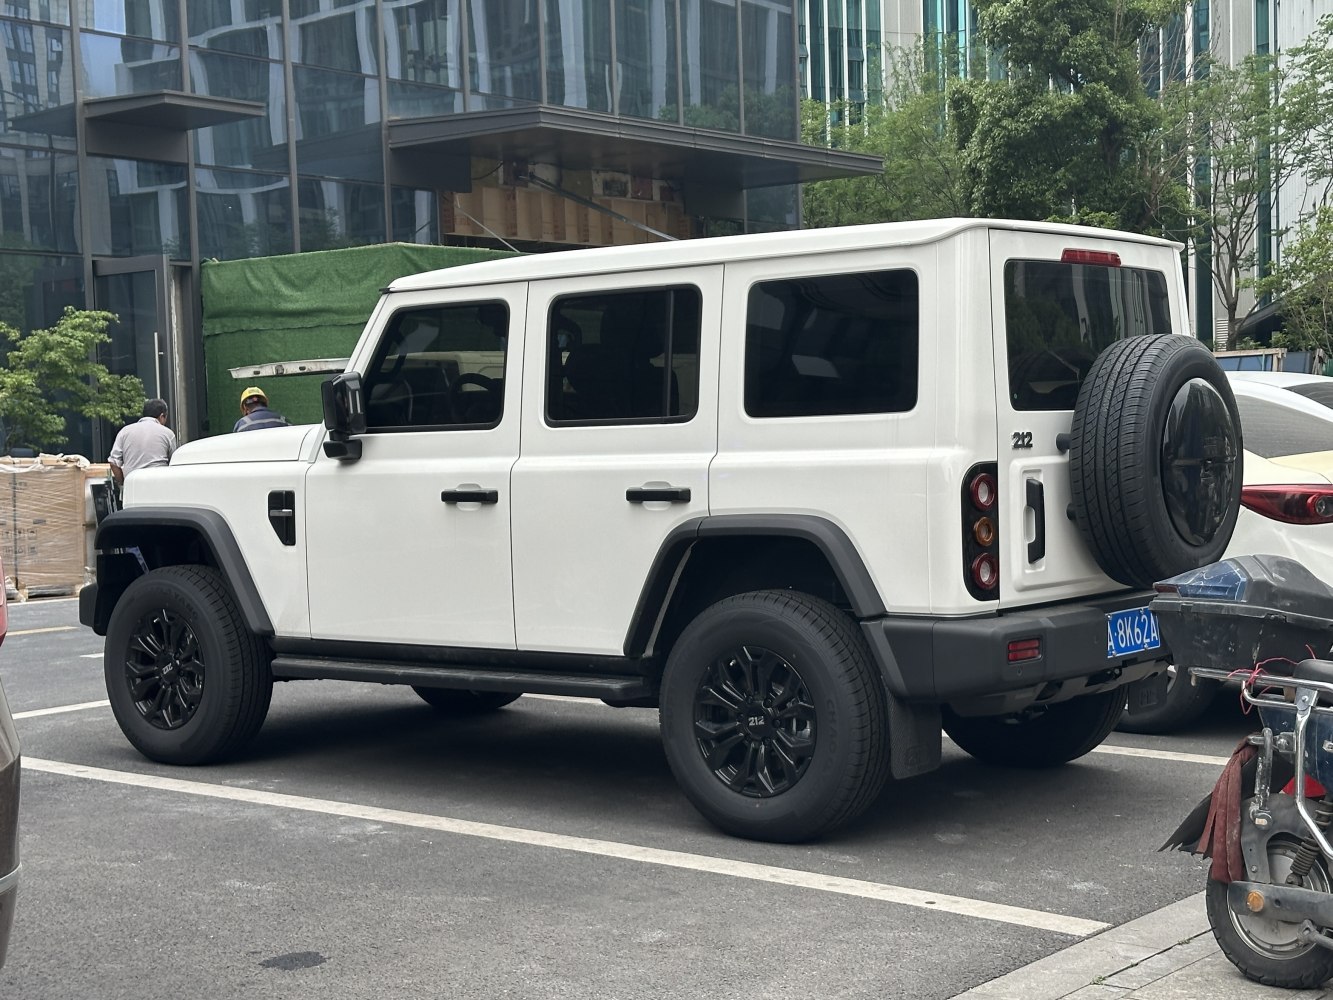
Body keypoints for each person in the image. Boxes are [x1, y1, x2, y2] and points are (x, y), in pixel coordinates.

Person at [108, 399, 176, 487]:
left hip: (133, 487)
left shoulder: (124, 432)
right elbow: (174, 463)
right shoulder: (168, 434)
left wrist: (124, 484)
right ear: (162, 416)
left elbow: (113, 463)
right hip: (159, 486)